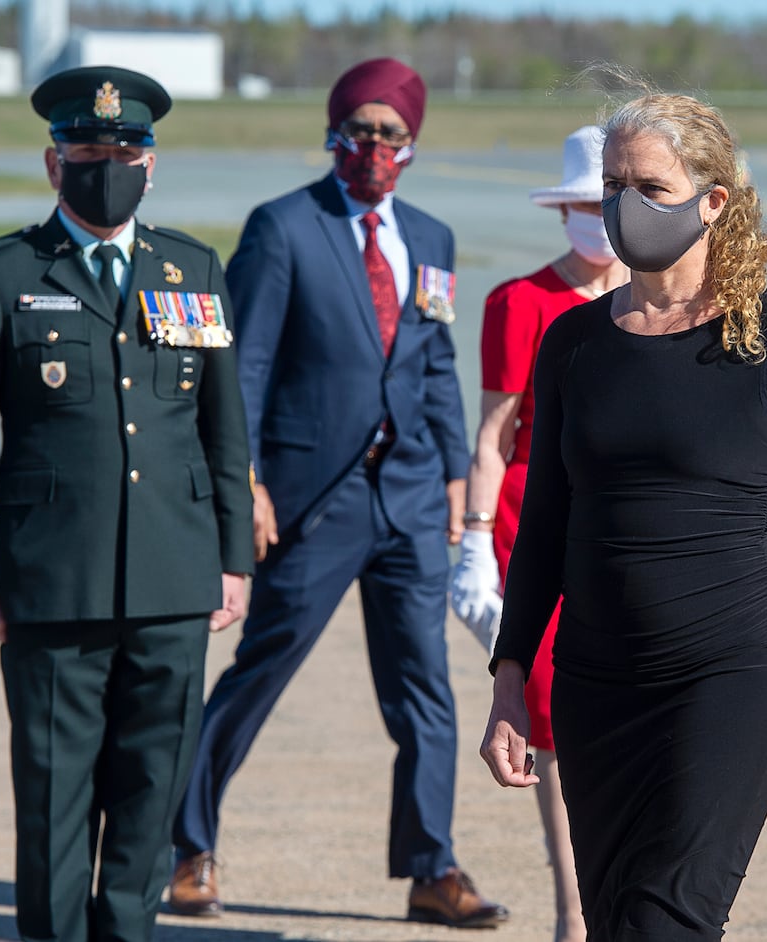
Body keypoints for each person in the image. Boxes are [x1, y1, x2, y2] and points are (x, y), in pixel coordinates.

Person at [480, 90, 767, 941]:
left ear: (714, 200)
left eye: (650, 186)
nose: (626, 206)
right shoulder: (573, 344)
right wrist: (511, 676)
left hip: (730, 671)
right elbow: (546, 523)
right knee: (618, 915)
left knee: (669, 919)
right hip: (595, 682)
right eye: (612, 183)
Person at [167, 57, 507, 929]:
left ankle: (433, 866)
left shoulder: (429, 240)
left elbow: (434, 367)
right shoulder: (284, 228)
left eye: (391, 133)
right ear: (332, 134)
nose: (374, 146)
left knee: (425, 689)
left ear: (413, 144)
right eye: (359, 129)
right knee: (261, 669)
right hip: (313, 499)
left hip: (410, 500)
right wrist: (244, 483)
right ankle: (186, 843)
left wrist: (460, 497)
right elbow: (242, 367)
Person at [0, 66, 254, 942]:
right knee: (54, 801)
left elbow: (224, 430)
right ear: (52, 163)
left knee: (149, 801)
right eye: (87, 150)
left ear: (152, 165)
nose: (107, 163)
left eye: (125, 150)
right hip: (51, 585)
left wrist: (234, 560)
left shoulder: (194, 268)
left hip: (175, 578)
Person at [451, 125, 627, 942]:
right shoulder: (520, 304)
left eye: (612, 202)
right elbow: (494, 433)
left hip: (634, 531)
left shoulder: (662, 301)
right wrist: (475, 543)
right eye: (582, 205)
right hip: (539, 529)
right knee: (551, 724)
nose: (597, 219)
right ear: (562, 213)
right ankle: (573, 914)